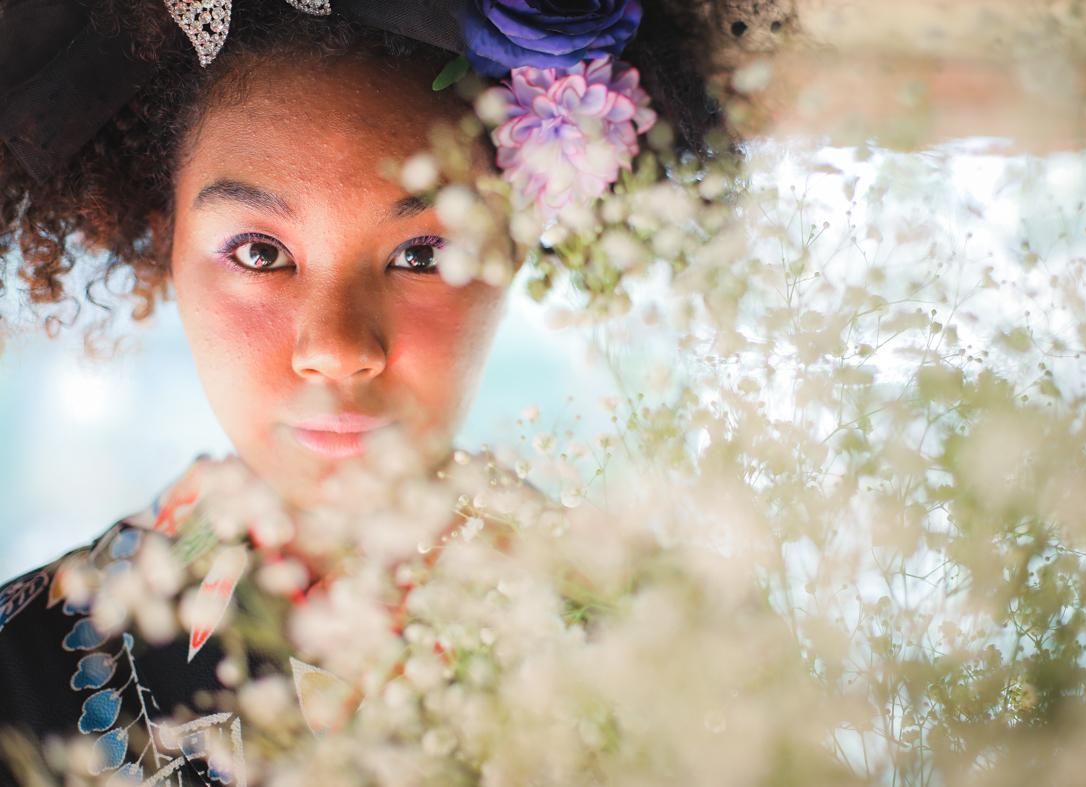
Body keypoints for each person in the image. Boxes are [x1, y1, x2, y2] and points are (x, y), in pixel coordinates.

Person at [0, 0, 719, 782]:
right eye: (259, 250)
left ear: (513, 250)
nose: (338, 350)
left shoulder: (684, 655)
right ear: (162, 238)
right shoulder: (16, 669)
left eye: (422, 253)